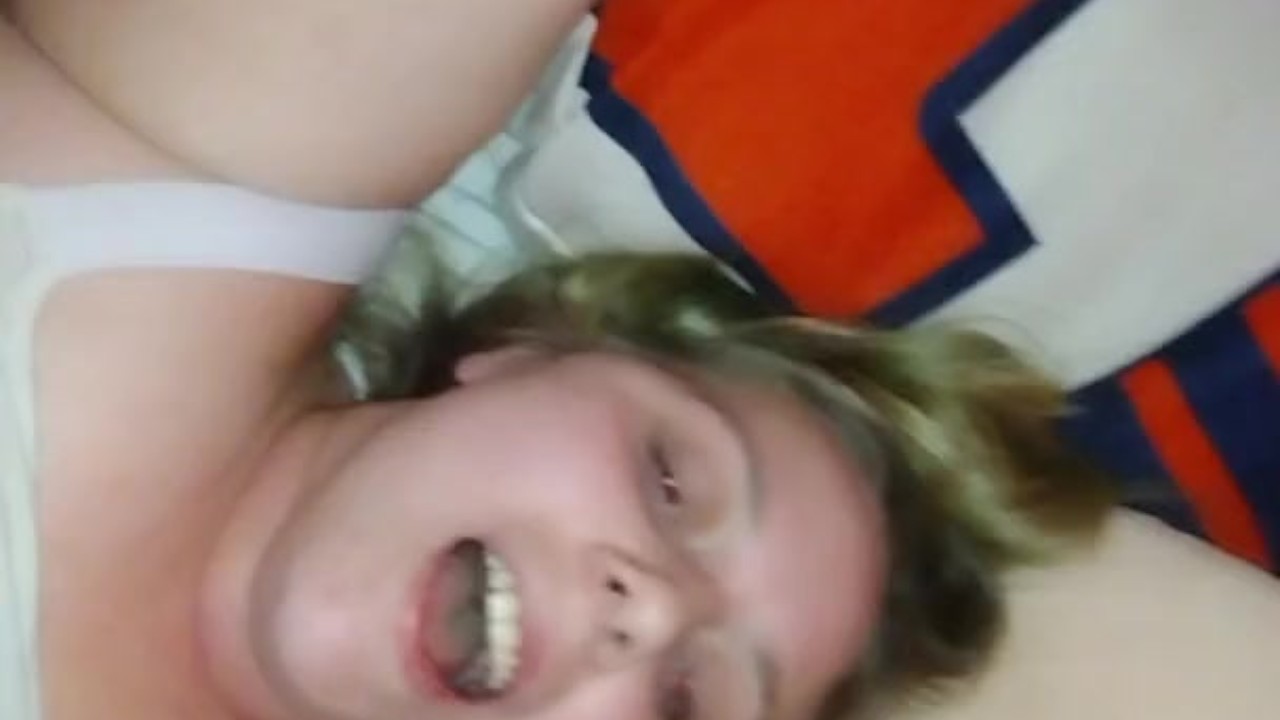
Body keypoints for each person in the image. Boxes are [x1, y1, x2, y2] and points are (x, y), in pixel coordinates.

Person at [0, 6, 1276, 720]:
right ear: (521, 357)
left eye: (685, 702)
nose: (651, 609)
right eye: (672, 480)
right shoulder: (182, 181)